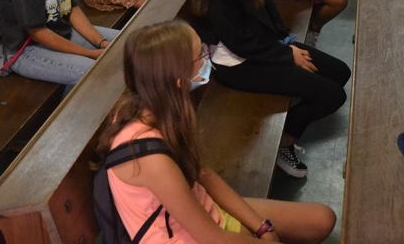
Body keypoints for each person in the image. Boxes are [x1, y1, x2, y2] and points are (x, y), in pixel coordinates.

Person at [95, 20, 336, 242]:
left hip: (205, 211)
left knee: (322, 219)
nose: (207, 58)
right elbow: (213, 238)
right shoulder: (149, 156)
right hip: (187, 236)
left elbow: (203, 174)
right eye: (201, 54)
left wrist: (263, 227)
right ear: (179, 80)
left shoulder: (163, 110)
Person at [174, 0, 351, 179]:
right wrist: (287, 55)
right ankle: (285, 143)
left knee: (340, 72)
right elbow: (238, 40)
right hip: (239, 63)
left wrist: (285, 41)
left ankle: (290, 111)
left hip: (264, 45)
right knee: (333, 95)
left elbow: (264, 4)